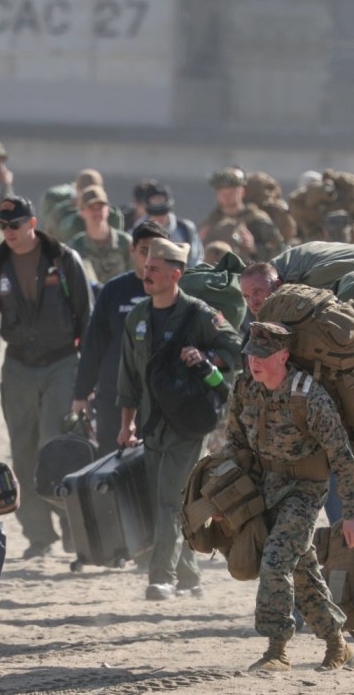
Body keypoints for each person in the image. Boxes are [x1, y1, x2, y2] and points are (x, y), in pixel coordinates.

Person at [224, 322, 354, 672]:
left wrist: (352, 512)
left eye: (263, 356)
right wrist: (225, 498)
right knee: (302, 572)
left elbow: (342, 456)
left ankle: (277, 650)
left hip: (305, 491)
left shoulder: (309, 396)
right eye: (250, 355)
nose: (253, 362)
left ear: (283, 356)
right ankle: (338, 645)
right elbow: (235, 445)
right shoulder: (244, 388)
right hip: (264, 489)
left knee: (275, 562)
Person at [0, 196, 94, 558]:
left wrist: (88, 378)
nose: (8, 232)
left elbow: (87, 318)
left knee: (55, 446)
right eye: (3, 226)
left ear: (32, 224)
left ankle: (71, 522)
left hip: (62, 362)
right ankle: (39, 536)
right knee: (22, 453)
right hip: (18, 365)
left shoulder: (63, 259)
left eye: (15, 225)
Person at [116, 239, 241, 600]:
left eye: (156, 268)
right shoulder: (137, 317)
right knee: (167, 500)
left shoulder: (199, 314)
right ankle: (190, 578)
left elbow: (233, 348)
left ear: (177, 273)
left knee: (170, 500)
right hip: (152, 421)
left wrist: (205, 357)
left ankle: (162, 577)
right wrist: (127, 423)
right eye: (147, 266)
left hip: (189, 421)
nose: (147, 273)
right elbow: (127, 377)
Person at [73, 221, 165, 454]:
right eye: (144, 250)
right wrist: (81, 393)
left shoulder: (173, 292)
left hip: (160, 396)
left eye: (157, 251)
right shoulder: (114, 291)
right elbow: (94, 345)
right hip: (114, 394)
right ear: (132, 250)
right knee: (111, 463)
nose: (150, 258)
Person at [200, 167, 284, 262]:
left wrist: (254, 249)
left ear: (242, 192)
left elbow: (280, 251)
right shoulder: (211, 221)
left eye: (231, 192)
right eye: (222, 192)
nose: (226, 196)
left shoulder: (257, 219)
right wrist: (200, 243)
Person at [68, 185, 133, 285]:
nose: (97, 212)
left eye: (100, 207)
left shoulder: (125, 242)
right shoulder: (76, 246)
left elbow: (134, 276)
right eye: (91, 208)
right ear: (81, 212)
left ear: (108, 210)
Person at [137, 182, 202, 265]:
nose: (159, 218)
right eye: (155, 215)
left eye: (163, 214)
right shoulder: (137, 231)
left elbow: (195, 260)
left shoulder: (185, 229)